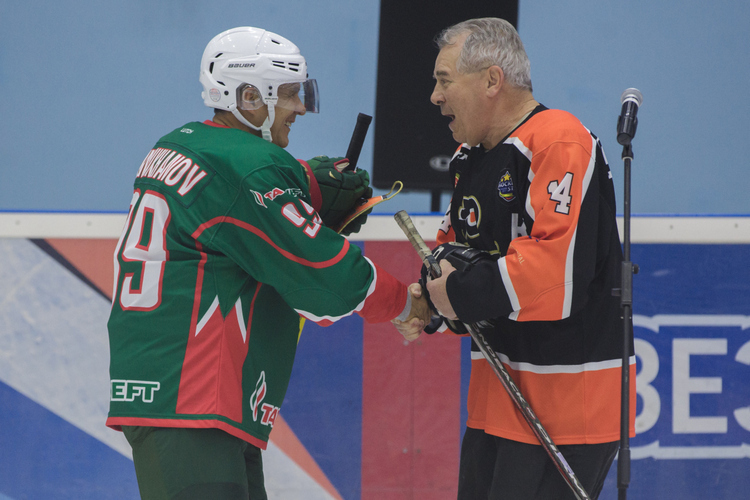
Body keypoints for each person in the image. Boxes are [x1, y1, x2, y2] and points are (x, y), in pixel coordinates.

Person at [106, 26, 430, 500]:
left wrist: (304, 185)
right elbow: (326, 279)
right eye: (290, 94)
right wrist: (406, 303)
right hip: (195, 397)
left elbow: (233, 201)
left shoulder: (176, 144)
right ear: (249, 96)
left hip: (179, 393)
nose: (300, 107)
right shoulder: (249, 167)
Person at [394, 18, 636, 499]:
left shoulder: (558, 140)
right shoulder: (471, 157)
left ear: (491, 80)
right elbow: (452, 251)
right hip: (498, 399)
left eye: (444, 80)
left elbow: (557, 271)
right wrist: (435, 297)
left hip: (568, 408)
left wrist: (457, 292)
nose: (434, 97)